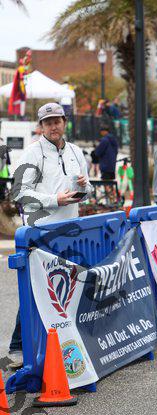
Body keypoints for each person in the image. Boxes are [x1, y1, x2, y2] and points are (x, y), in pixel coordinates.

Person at [9, 102, 92, 368]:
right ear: (41, 126)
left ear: (64, 122)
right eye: (48, 123)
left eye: (57, 121)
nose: (53, 127)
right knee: (37, 288)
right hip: (41, 232)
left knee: (66, 288)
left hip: (70, 231)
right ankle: (18, 347)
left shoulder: (75, 151)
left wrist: (84, 187)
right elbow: (20, 193)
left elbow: (87, 189)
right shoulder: (32, 153)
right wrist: (54, 199)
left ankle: (63, 343)